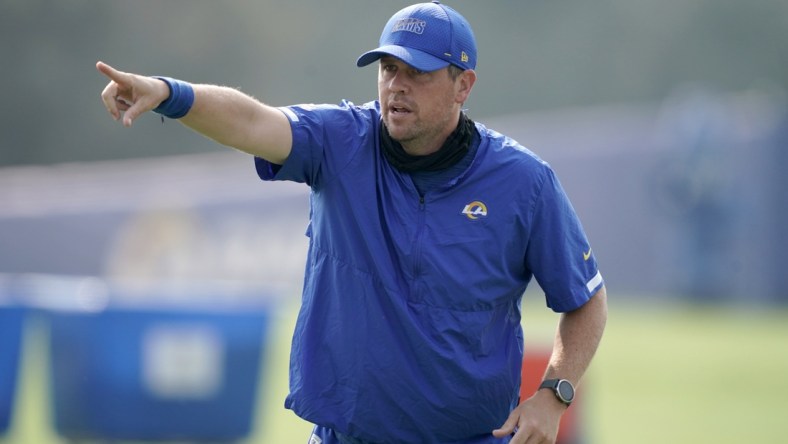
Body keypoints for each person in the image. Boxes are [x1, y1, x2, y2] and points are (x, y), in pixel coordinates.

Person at [97, 1, 607, 443]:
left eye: (418, 73)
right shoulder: (339, 140)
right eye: (388, 70)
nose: (397, 87)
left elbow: (586, 301)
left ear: (463, 85)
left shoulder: (524, 183)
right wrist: (170, 93)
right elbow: (252, 121)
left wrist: (554, 393)